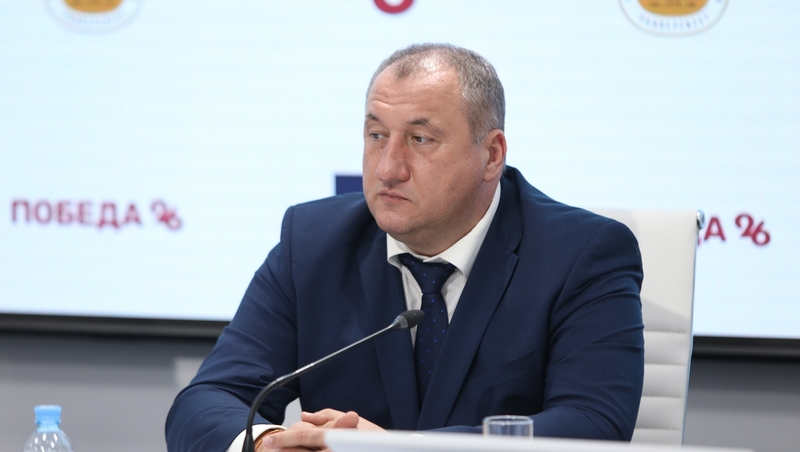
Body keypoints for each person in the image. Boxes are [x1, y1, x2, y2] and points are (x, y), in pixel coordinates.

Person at [166, 43, 644, 452]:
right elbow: (208, 400)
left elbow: (593, 425)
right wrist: (266, 442)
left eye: (420, 139)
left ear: (491, 155)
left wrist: (397, 450)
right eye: (377, 135)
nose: (387, 169)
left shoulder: (582, 255)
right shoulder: (312, 243)